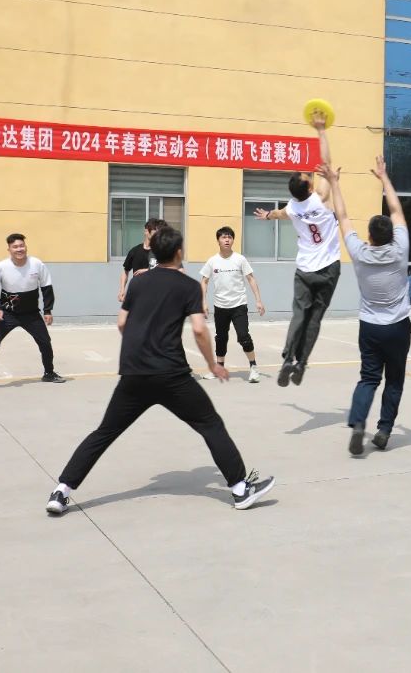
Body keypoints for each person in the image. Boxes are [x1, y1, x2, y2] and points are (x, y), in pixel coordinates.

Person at [45, 226, 275, 516]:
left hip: (134, 374)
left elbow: (121, 323)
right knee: (210, 425)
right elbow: (200, 330)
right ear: (178, 252)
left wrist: (141, 347)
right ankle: (240, 489)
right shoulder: (188, 286)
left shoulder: (138, 282)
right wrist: (213, 365)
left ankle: (62, 491)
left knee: (104, 432)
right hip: (172, 376)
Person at [320, 156, 411, 456]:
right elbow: (397, 210)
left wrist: (334, 183)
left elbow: (343, 216)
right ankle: (384, 430)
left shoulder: (359, 252)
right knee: (394, 380)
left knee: (369, 377)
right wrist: (384, 178)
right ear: (392, 235)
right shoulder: (401, 249)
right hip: (398, 326)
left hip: (370, 326)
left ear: (369, 236)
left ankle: (359, 423)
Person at [253, 111, 340, 386]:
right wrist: (321, 130)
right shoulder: (321, 197)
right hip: (328, 268)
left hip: (304, 269)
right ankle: (301, 363)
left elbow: (279, 214)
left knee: (300, 314)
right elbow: (327, 162)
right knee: (315, 318)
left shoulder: (293, 207)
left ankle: (288, 358)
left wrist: (268, 216)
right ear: (310, 186)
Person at [0, 233, 65, 390]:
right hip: (8, 314)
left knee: (45, 342)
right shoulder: (1, 267)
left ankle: (49, 373)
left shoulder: (37, 264)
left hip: (31, 314)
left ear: (26, 247)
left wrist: (48, 310)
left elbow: (46, 288)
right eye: (15, 247)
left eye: (21, 245)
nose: (19, 249)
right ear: (9, 249)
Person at [199, 226, 264, 384]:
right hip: (220, 306)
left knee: (244, 336)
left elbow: (251, 279)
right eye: (223, 237)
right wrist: (203, 302)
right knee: (221, 338)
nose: (227, 240)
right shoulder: (212, 261)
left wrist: (258, 300)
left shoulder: (240, 259)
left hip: (239, 305)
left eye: (229, 237)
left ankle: (253, 367)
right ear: (218, 241)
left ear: (233, 240)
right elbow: (204, 281)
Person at [119, 218, 165, 303]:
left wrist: (147, 270)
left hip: (155, 296)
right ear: (146, 231)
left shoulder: (160, 251)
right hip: (136, 295)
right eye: (155, 230)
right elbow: (125, 271)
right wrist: (122, 290)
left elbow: (166, 270)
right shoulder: (134, 251)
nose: (157, 233)